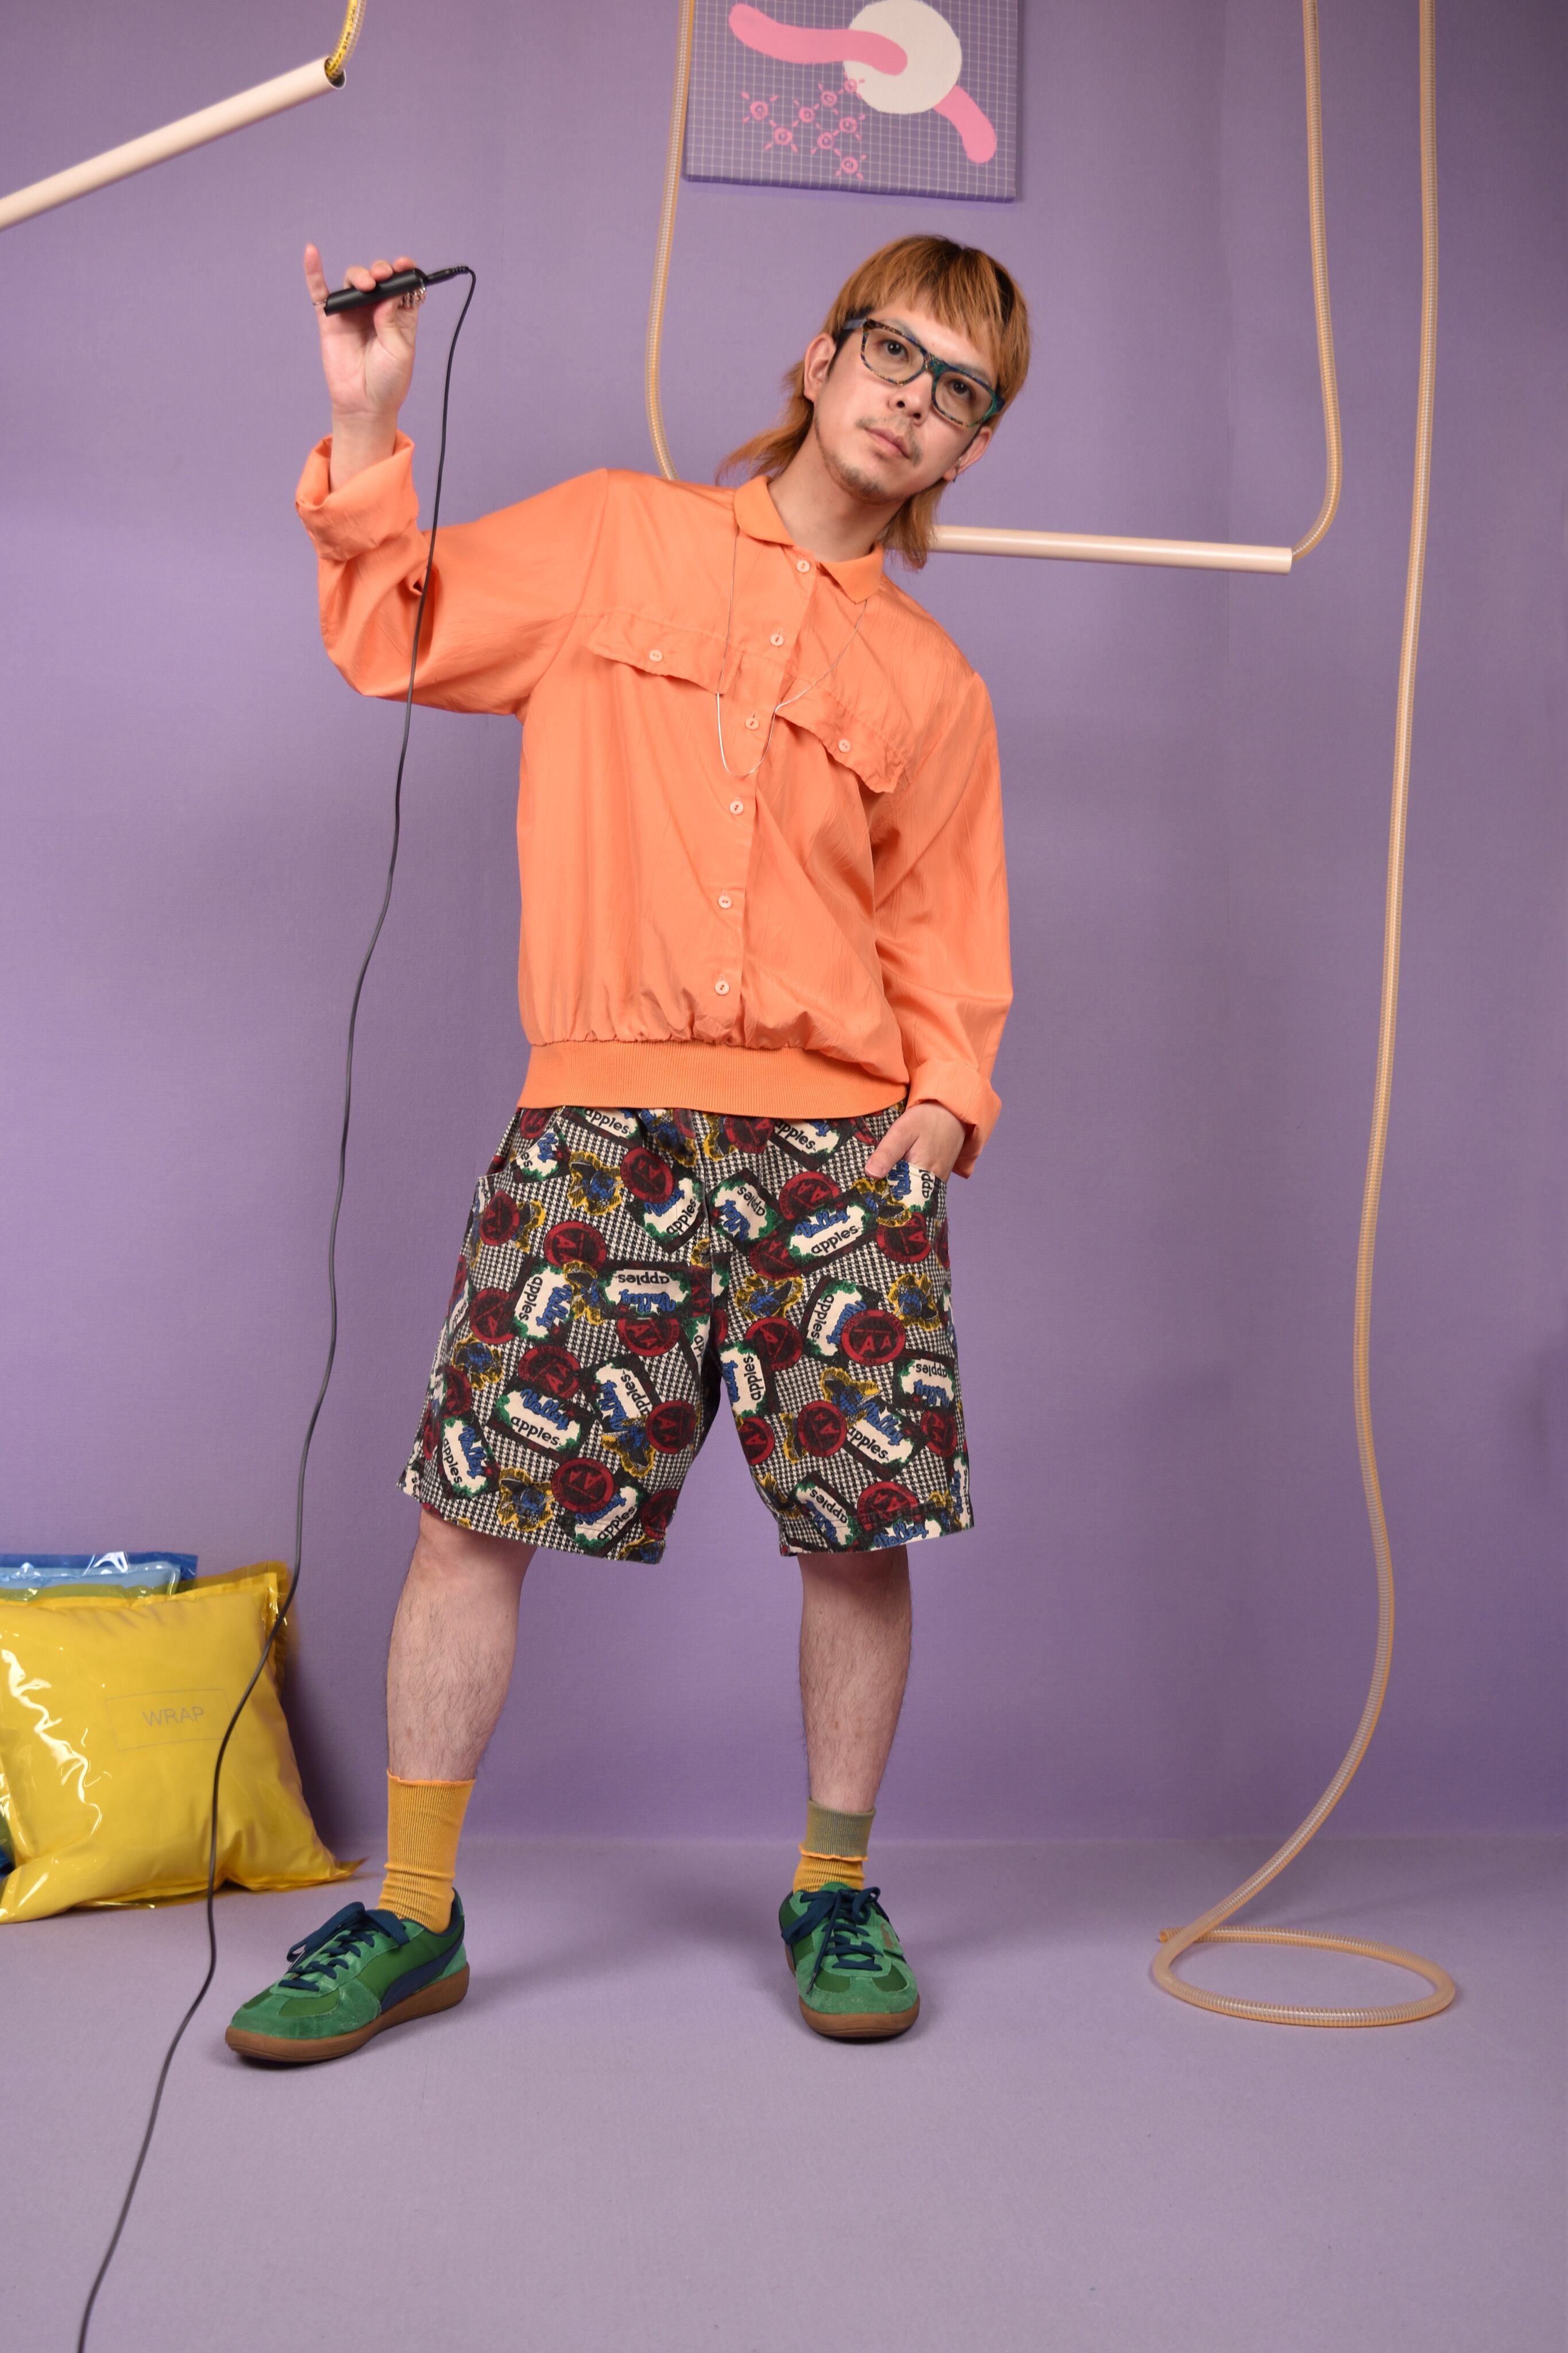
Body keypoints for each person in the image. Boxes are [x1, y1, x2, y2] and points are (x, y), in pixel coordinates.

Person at [226, 233, 1029, 2064]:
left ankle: (832, 1890)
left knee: (857, 1535)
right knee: (473, 1518)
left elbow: (945, 929)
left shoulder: (934, 683)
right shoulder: (612, 537)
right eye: (894, 355)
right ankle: (410, 1914)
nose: (914, 400)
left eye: (959, 390)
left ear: (972, 447)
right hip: (602, 1122)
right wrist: (369, 423)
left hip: (841, 1157)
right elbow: (393, 626)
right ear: (820, 358)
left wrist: (941, 1099)